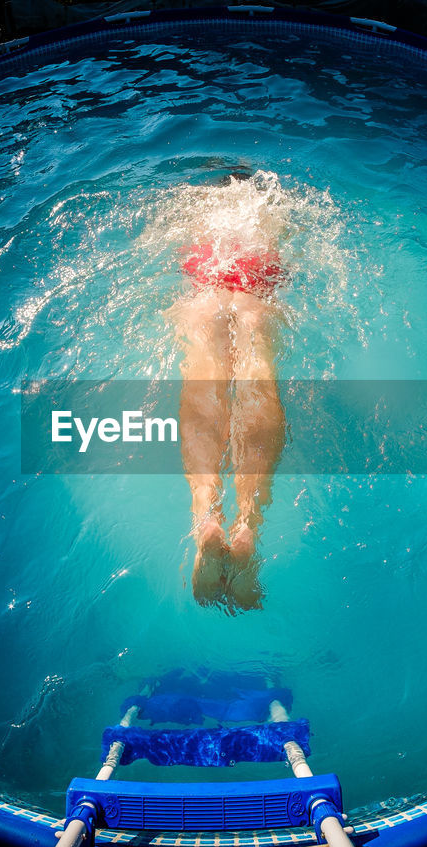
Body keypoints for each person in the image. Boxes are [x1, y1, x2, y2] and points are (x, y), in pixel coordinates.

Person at [165, 173, 288, 612]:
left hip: (204, 274)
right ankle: (247, 524)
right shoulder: (273, 206)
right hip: (261, 275)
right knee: (256, 355)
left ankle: (205, 517)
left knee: (205, 360)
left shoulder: (193, 202)